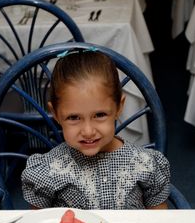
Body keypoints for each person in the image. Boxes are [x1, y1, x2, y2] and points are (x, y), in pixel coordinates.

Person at [21, 49, 169, 209]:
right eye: (73, 117)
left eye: (99, 115)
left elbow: (158, 221)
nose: (88, 131)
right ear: (56, 114)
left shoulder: (144, 163)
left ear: (119, 107)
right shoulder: (48, 170)